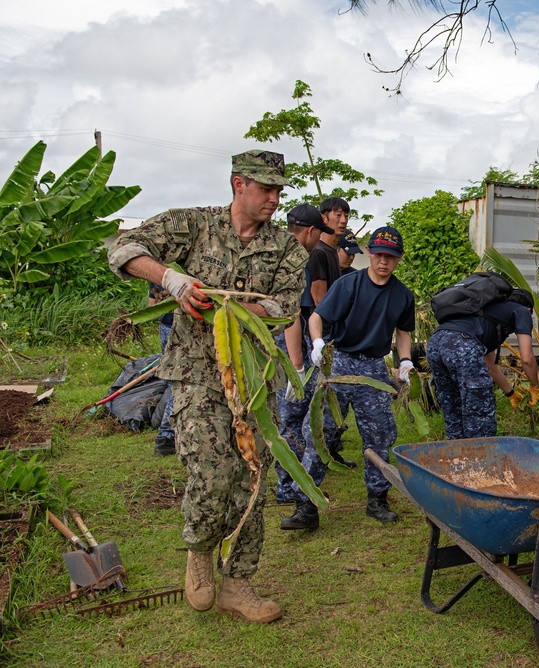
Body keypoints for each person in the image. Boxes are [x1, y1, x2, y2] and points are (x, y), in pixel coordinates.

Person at [108, 150, 307, 624]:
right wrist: (171, 279)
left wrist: (230, 309)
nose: (275, 200)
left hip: (254, 377)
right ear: (239, 184)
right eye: (266, 189)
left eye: (280, 190)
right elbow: (123, 247)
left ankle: (237, 583)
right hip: (197, 372)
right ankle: (199, 551)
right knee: (212, 471)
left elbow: (284, 307)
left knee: (251, 477)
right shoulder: (193, 225)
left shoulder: (286, 248)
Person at [307, 226, 415, 525]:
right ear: (368, 252)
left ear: (399, 258)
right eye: (379, 255)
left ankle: (377, 498)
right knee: (321, 431)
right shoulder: (349, 285)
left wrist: (405, 361)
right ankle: (306, 502)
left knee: (380, 434)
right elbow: (318, 317)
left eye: (390, 257)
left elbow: (403, 332)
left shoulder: (403, 295)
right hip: (340, 364)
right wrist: (317, 344)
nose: (383, 262)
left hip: (374, 369)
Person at [273, 204, 336, 531]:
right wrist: (298, 365)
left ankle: (287, 487)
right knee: (313, 420)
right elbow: (291, 316)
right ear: (311, 231)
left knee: (287, 420)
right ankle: (303, 494)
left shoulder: (273, 251)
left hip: (271, 346)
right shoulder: (296, 261)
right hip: (289, 347)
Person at [426, 288, 539, 439]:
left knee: (452, 407)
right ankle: (480, 457)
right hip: (463, 344)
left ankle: (455, 458)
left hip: (435, 342)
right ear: (529, 308)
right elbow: (527, 358)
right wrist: (535, 386)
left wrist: (511, 393)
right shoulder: (522, 311)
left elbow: (491, 366)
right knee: (479, 415)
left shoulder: (486, 312)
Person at [305, 197, 355, 470]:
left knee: (335, 399)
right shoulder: (320, 253)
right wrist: (321, 340)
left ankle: (331, 452)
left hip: (334, 334)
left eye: (346, 214)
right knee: (320, 400)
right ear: (323, 218)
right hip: (320, 337)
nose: (343, 220)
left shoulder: (334, 253)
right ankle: (314, 457)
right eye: (337, 214)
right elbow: (319, 301)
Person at [148, 282, 176, 456]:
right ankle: (166, 437)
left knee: (170, 380)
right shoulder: (180, 270)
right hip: (178, 328)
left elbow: (151, 306)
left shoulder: (156, 271)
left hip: (164, 327)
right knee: (178, 383)